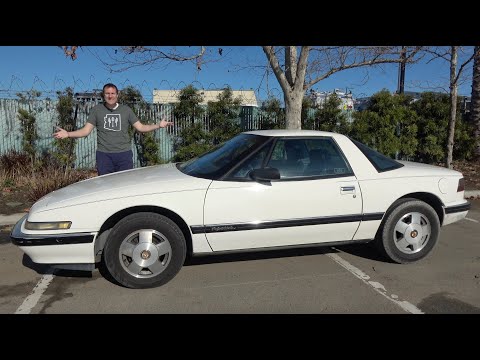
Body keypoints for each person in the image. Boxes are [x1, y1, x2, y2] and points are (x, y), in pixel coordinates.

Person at [54, 83, 173, 175]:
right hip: (104, 156)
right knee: (105, 188)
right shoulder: (97, 110)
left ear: (117, 94)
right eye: (107, 93)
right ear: (103, 95)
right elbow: (86, 130)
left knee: (124, 186)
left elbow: (140, 127)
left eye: (112, 93)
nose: (110, 96)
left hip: (124, 155)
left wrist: (158, 125)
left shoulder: (126, 110)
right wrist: (68, 134)